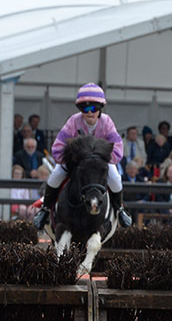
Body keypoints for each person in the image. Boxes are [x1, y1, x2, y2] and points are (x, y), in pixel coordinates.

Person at [33, 83, 132, 229]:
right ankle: (45, 210)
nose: (90, 112)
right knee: (55, 175)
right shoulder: (73, 121)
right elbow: (57, 148)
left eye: (94, 108)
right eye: (85, 108)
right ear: (80, 109)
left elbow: (117, 148)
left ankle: (119, 209)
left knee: (116, 179)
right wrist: (72, 159)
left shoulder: (107, 122)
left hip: (100, 163)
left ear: (100, 109)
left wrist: (101, 159)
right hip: (76, 163)